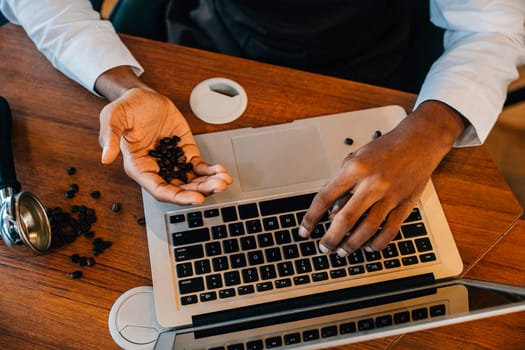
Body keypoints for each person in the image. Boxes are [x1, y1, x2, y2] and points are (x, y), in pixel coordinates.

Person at [1, 0, 524, 259]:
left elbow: (492, 27)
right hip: (205, 44)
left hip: (367, 67)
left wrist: (430, 129)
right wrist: (123, 87)